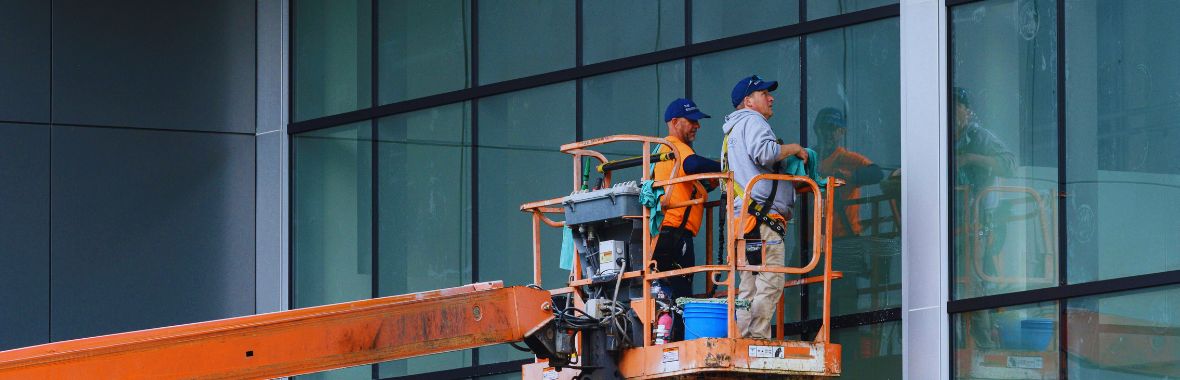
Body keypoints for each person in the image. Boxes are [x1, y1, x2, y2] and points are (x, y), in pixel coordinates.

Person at [721, 75, 809, 339]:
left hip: (742, 221)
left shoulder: (731, 133)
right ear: (748, 101)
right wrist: (794, 148)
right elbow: (766, 153)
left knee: (748, 287)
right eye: (764, 94)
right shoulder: (753, 120)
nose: (771, 99)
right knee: (770, 281)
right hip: (762, 221)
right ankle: (758, 339)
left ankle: (744, 336)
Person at [651, 98, 721, 341]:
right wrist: (725, 167)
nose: (697, 126)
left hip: (665, 234)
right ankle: (677, 340)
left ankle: (665, 337)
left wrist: (710, 182)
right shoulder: (674, 146)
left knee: (667, 293)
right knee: (680, 295)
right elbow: (693, 164)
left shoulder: (664, 152)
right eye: (691, 121)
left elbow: (692, 185)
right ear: (674, 122)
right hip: (672, 235)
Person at [813, 107, 884, 238]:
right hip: (811, 242)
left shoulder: (847, 159)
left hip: (843, 238)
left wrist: (849, 177)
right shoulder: (806, 158)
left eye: (833, 129)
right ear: (817, 130)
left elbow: (877, 173)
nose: (828, 134)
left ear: (842, 132)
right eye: (824, 128)